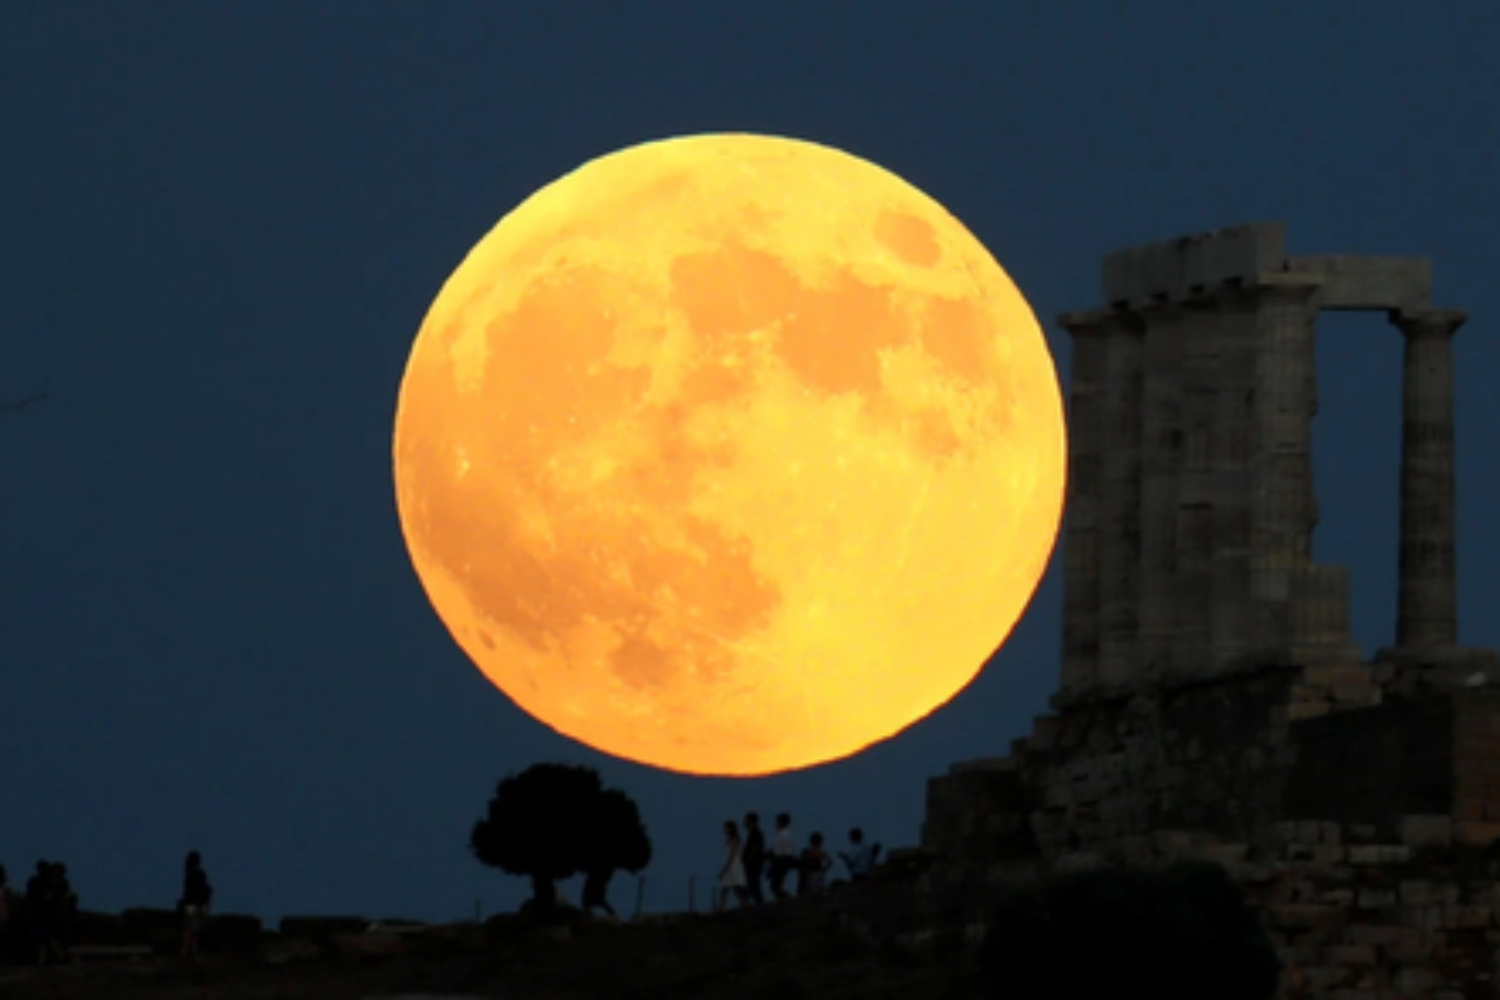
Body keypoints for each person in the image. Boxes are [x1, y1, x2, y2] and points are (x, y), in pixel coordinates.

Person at [179, 851, 213, 959]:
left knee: (189, 928)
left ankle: (188, 950)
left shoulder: (189, 874)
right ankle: (192, 950)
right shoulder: (199, 874)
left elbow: (187, 892)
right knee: (194, 929)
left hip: (190, 904)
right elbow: (203, 890)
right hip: (197, 904)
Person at [716, 820, 747, 912]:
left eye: (725, 828)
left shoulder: (734, 840)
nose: (724, 830)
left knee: (731, 887)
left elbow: (732, 855)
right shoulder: (733, 839)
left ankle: (721, 907)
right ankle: (742, 903)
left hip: (733, 865)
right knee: (733, 887)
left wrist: (724, 868)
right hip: (733, 864)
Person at [768, 813, 796, 900]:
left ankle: (786, 900)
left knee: (776, 885)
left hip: (781, 862)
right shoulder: (780, 834)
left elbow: (785, 852)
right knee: (776, 885)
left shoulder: (784, 835)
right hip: (779, 861)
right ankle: (784, 900)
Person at [797, 832, 833, 897]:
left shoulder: (806, 852)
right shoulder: (821, 852)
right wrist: (824, 869)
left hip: (808, 875)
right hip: (818, 874)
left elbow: (801, 867)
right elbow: (830, 862)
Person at [741, 813, 765, 905]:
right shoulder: (754, 833)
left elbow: (755, 850)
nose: (744, 822)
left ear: (751, 821)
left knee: (752, 885)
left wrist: (748, 861)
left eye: (746, 820)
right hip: (753, 864)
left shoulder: (756, 834)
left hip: (753, 864)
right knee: (754, 887)